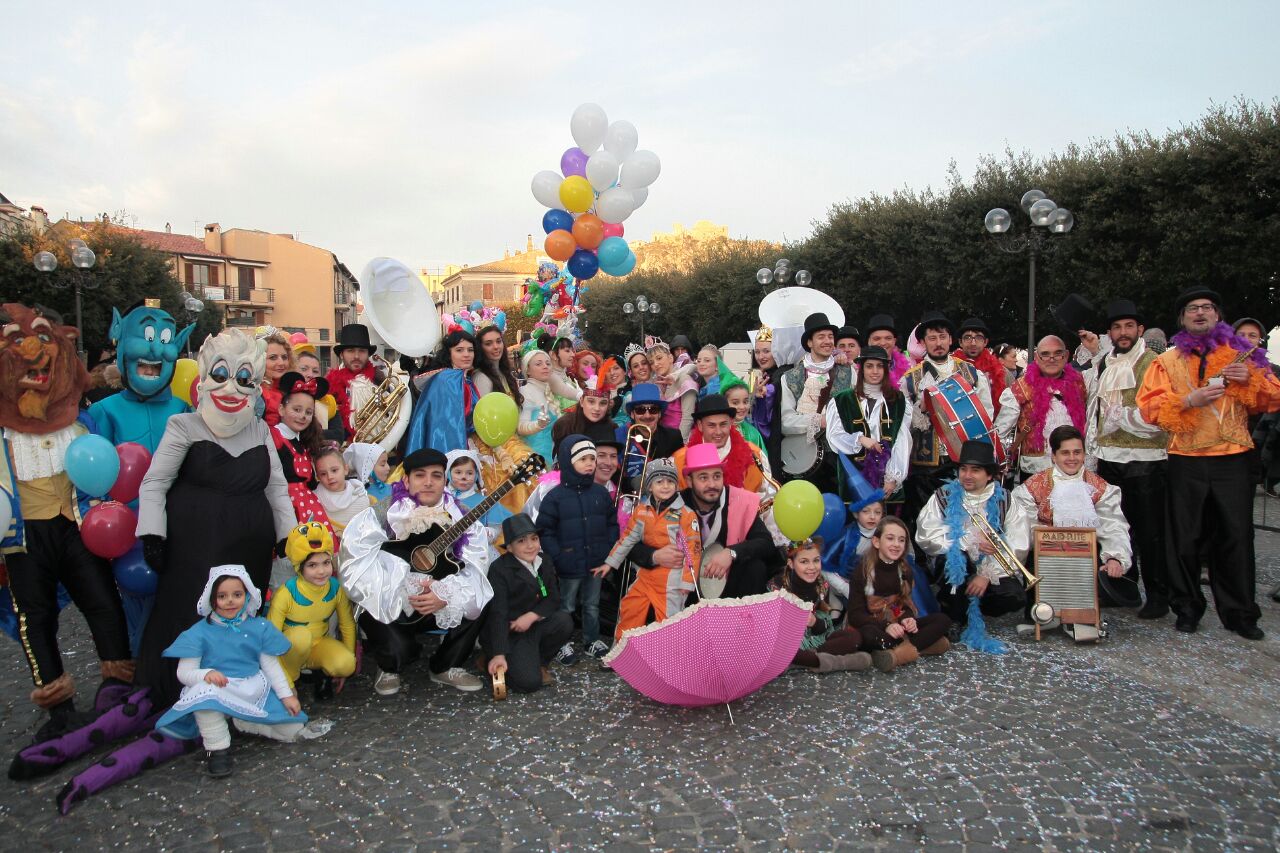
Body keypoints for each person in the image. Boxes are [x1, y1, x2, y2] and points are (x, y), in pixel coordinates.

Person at [136, 328, 295, 711]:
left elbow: (276, 487)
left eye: (244, 378)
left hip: (250, 548)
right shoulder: (184, 426)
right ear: (206, 376)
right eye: (221, 375)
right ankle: (185, 694)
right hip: (195, 549)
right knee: (192, 616)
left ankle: (239, 694)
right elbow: (155, 482)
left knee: (240, 619)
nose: (231, 387)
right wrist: (153, 534)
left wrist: (287, 535)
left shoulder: (260, 429)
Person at [0, 303, 132, 734]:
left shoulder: (79, 423)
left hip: (76, 524)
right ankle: (58, 703)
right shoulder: (4, 431)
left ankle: (117, 685)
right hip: (23, 536)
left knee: (103, 601)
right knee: (34, 617)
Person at [1137, 287, 1280, 639]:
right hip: (1185, 459)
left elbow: (1273, 398)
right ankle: (1187, 607)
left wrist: (1251, 379)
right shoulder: (1166, 361)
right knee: (1183, 539)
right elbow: (1148, 408)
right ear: (1182, 318)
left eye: (1206, 307)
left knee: (1236, 536)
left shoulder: (1243, 355)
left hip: (1233, 458)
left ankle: (1240, 612)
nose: (1199, 312)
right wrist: (1189, 399)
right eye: (1192, 308)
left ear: (1217, 315)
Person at [339, 448, 492, 696]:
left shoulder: (461, 515)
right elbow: (354, 559)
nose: (428, 482)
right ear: (406, 480)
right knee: (399, 651)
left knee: (482, 595)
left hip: (438, 601)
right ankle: (389, 666)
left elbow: (477, 565)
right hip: (392, 601)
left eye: (436, 475)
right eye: (420, 475)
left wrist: (445, 594)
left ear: (444, 480)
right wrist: (399, 587)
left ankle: (446, 665)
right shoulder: (384, 513)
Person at [153, 566, 305, 779]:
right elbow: (184, 673)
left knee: (293, 729)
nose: (230, 601)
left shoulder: (259, 627)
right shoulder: (198, 633)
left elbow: (270, 665)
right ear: (211, 598)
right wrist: (205, 674)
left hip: (251, 688)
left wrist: (286, 695)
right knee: (205, 701)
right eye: (222, 596)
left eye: (237, 594)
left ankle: (244, 722)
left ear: (247, 595)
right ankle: (217, 749)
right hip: (216, 689)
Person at [1078, 299, 1171, 618]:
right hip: (1108, 459)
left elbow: (1161, 413)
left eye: (1129, 326)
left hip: (1145, 460)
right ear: (1111, 333)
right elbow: (1096, 411)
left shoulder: (1154, 362)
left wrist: (1123, 417)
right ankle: (1123, 588)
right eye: (1117, 327)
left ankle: (1158, 596)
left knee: (1150, 532)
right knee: (1117, 527)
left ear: (1140, 329)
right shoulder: (1106, 362)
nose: (1123, 332)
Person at [1004, 427, 1133, 622]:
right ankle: (1041, 613)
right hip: (1044, 557)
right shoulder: (1032, 487)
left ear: (1084, 454)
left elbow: (1114, 525)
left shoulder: (1101, 488)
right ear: (1053, 456)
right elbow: (1021, 526)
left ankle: (1082, 614)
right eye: (1065, 453)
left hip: (1085, 558)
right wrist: (1052, 538)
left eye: (1077, 452)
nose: (1072, 458)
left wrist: (1115, 557)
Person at [631, 443, 777, 599]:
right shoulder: (670, 504)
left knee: (755, 568)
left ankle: (744, 615)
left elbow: (765, 542)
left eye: (717, 476)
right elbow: (632, 545)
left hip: (727, 584)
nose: (712, 484)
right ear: (689, 480)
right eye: (703, 478)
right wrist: (656, 555)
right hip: (684, 588)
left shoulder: (738, 500)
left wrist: (731, 553)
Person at [915, 440, 1022, 651]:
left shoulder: (1006, 500)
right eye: (963, 469)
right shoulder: (943, 495)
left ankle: (974, 605)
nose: (967, 475)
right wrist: (965, 542)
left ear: (989, 475)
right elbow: (926, 534)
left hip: (990, 567)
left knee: (1015, 596)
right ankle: (954, 615)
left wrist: (986, 574)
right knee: (956, 561)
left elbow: (1018, 543)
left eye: (975, 470)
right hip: (954, 565)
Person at [898, 311, 993, 524]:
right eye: (932, 338)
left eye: (942, 337)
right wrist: (922, 409)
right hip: (925, 467)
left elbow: (986, 414)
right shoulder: (910, 380)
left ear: (951, 340)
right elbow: (904, 423)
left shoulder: (971, 373)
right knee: (925, 520)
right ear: (923, 342)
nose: (938, 343)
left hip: (963, 462)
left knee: (962, 520)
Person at [537, 437, 619, 663]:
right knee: (566, 605)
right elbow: (545, 531)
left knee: (592, 605)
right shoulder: (555, 497)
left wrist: (607, 551)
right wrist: (558, 557)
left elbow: (611, 524)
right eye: (583, 459)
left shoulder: (600, 494)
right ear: (568, 461)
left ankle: (591, 640)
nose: (590, 463)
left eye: (592, 458)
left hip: (595, 561)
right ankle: (560, 642)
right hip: (568, 563)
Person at [605, 458, 700, 638]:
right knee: (630, 608)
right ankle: (622, 650)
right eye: (659, 481)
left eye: (670, 481)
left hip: (671, 579)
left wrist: (687, 582)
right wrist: (610, 563)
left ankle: (670, 653)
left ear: (676, 485)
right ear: (649, 486)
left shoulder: (686, 514)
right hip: (645, 575)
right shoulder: (641, 510)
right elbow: (627, 538)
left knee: (669, 621)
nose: (665, 486)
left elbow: (693, 551)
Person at [481, 513, 574, 694]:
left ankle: (540, 663)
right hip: (510, 632)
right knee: (529, 684)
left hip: (532, 624)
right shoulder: (499, 569)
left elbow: (553, 597)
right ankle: (488, 659)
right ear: (509, 547)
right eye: (521, 541)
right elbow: (498, 614)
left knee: (564, 621)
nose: (530, 545)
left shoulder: (544, 560)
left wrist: (532, 616)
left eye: (534, 538)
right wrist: (499, 653)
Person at [847, 517, 952, 672]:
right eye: (890, 538)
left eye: (901, 540)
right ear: (876, 542)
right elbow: (856, 616)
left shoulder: (905, 570)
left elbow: (905, 605)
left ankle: (896, 654)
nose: (896, 544)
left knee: (943, 620)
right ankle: (921, 646)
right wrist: (887, 626)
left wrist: (907, 619)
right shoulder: (862, 571)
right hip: (874, 626)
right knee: (867, 635)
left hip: (897, 625)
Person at [268, 522, 357, 701]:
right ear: (299, 567)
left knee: (346, 664)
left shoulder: (335, 588)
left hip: (317, 644)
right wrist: (286, 685)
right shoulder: (286, 593)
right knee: (301, 636)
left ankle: (317, 671)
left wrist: (349, 658)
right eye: (312, 565)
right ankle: (290, 677)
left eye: (326, 563)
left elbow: (347, 624)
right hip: (290, 648)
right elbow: (271, 639)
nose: (321, 571)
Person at [824, 346, 911, 507]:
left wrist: (893, 477)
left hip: (886, 483)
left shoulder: (898, 400)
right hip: (853, 480)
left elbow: (902, 440)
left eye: (879, 366)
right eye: (869, 366)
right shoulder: (841, 400)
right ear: (862, 369)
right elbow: (834, 437)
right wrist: (860, 439)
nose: (875, 371)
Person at [768, 538, 870, 673]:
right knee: (780, 649)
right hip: (788, 642)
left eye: (816, 560)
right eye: (804, 562)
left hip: (814, 641)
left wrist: (814, 622)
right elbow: (771, 630)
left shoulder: (820, 584)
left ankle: (805, 660)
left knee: (854, 638)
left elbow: (825, 626)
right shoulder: (777, 586)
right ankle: (835, 662)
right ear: (791, 564)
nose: (812, 567)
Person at [995, 335, 1088, 479]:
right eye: (1045, 354)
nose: (1051, 359)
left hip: (1075, 468)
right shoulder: (1020, 387)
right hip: (1036, 471)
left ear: (1066, 355)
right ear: (1037, 357)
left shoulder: (1080, 383)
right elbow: (1000, 432)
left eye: (1057, 353)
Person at [780, 313, 854, 491]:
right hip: (805, 459)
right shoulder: (789, 378)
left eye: (830, 336)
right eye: (821, 337)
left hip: (841, 458)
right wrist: (818, 420)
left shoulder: (849, 372)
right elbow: (785, 422)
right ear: (809, 342)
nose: (827, 341)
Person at [269, 371, 334, 537]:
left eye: (308, 412)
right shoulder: (274, 436)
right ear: (281, 409)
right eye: (296, 410)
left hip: (308, 507)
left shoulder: (302, 442)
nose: (302, 416)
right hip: (285, 507)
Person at [672, 394, 770, 494]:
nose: (718, 432)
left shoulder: (755, 456)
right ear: (700, 425)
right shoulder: (679, 460)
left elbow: (768, 496)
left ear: (731, 423)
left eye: (723, 424)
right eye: (711, 425)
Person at [822, 500, 884, 622]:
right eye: (866, 511)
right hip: (843, 583)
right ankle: (836, 600)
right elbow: (824, 567)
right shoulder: (845, 536)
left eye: (877, 512)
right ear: (856, 513)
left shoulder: (884, 534)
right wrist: (844, 588)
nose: (872, 517)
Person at [552, 358, 620, 455]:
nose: (597, 408)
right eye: (591, 402)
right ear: (581, 401)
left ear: (608, 405)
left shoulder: (613, 429)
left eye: (603, 403)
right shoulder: (564, 425)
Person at [325, 323, 379, 440]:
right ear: (341, 354)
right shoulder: (330, 387)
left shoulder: (381, 380)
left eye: (362, 351)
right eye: (350, 351)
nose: (356, 356)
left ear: (368, 354)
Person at [749, 325, 787, 475]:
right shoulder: (759, 375)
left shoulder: (783, 372)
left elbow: (775, 387)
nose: (761, 356)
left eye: (766, 351)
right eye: (757, 352)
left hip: (777, 442)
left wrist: (766, 391)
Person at [312, 444, 370, 538]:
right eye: (323, 474)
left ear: (346, 469)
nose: (330, 477)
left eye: (334, 470)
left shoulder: (360, 496)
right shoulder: (314, 500)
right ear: (318, 477)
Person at [954, 317, 1007, 415]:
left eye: (978, 338)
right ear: (960, 342)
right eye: (967, 338)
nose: (973, 343)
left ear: (985, 342)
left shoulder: (1002, 372)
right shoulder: (950, 368)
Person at [517, 348, 561, 465]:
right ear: (528, 370)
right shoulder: (525, 391)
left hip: (554, 458)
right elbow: (520, 427)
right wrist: (538, 425)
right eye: (538, 364)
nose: (545, 366)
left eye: (548, 363)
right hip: (536, 460)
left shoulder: (551, 392)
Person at [649, 339, 698, 439]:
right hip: (664, 438)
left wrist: (679, 442)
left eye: (659, 358)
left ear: (670, 358)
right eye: (651, 362)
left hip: (682, 439)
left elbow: (688, 418)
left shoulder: (684, 379)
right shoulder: (658, 384)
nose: (656, 364)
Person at [865, 313, 913, 388]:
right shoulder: (858, 371)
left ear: (894, 341)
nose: (883, 343)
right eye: (877, 339)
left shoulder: (909, 369)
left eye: (888, 338)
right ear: (869, 341)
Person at [259, 329, 294, 429]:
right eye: (273, 358)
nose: (281, 363)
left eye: (284, 357)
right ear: (259, 360)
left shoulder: (293, 387)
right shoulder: (255, 393)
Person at [723, 377, 766, 454]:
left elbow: (762, 459)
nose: (742, 407)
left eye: (745, 402)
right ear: (724, 403)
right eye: (735, 403)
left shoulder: (753, 433)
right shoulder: (718, 432)